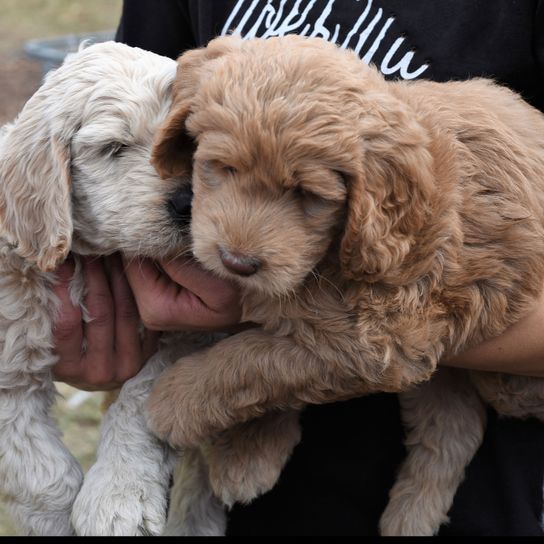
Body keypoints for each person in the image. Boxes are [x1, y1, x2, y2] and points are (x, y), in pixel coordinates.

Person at [53, 0, 544, 536]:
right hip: (233, 508)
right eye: (221, 168)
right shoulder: (205, 85)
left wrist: (255, 341)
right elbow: (141, 129)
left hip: (492, 492)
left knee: (179, 404)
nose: (239, 248)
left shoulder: (392, 176)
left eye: (307, 194)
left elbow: (384, 339)